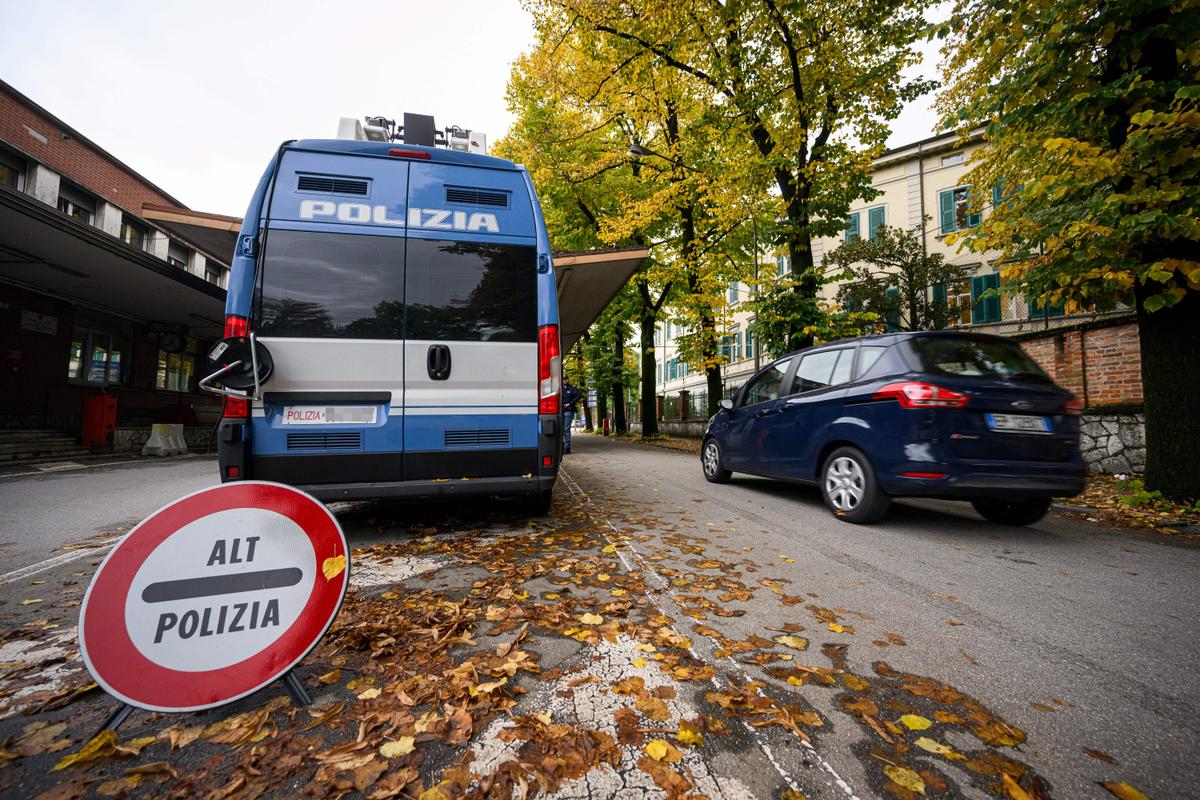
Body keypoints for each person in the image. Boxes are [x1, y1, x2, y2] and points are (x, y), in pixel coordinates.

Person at [561, 380, 583, 454]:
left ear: (567, 380)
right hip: (559, 412)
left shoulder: (571, 388)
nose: (564, 380)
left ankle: (566, 448)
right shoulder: (559, 388)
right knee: (561, 430)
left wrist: (570, 403)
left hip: (568, 411)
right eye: (563, 379)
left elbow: (579, 395)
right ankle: (562, 447)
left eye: (565, 379)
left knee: (566, 430)